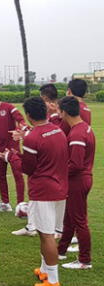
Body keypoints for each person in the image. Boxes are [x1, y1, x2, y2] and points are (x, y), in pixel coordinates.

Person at [0, 97, 68, 286]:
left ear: (28, 116)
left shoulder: (33, 138)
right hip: (60, 187)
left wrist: (10, 156)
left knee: (46, 235)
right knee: (49, 232)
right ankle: (46, 270)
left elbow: (28, 167)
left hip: (43, 191)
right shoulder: (57, 130)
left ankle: (53, 280)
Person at [56, 96, 95, 270]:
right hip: (83, 178)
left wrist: (58, 172)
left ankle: (84, 260)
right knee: (70, 217)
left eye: (59, 111)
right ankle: (61, 250)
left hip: (78, 180)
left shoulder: (77, 133)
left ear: (64, 112)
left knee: (79, 220)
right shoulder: (84, 128)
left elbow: (76, 164)